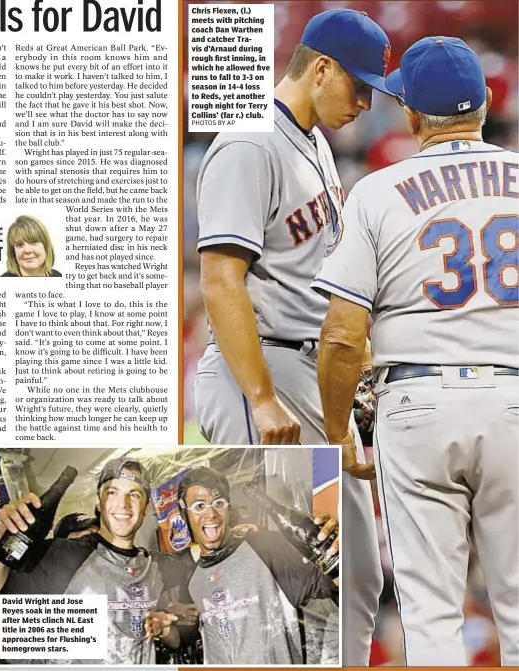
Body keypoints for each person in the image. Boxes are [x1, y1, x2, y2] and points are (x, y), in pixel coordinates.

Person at [193, 8, 393, 664]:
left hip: (313, 374)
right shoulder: (250, 143)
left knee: (359, 575)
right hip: (265, 373)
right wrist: (261, 397)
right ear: (320, 68)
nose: (364, 103)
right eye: (358, 86)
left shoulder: (310, 138)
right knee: (280, 587)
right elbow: (220, 280)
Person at [314, 36, 518, 666]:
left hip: (416, 406)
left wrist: (339, 428)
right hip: (514, 398)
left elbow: (345, 333)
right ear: (484, 102)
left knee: (429, 618)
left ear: (409, 114)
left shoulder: (377, 191)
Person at [0, 459, 198, 664]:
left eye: (134, 494)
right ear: (99, 501)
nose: (123, 504)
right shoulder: (63, 555)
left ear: (146, 506)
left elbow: (196, 554)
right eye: (112, 492)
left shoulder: (152, 565)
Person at [177, 467, 339, 665]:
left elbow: (333, 583)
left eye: (219, 503)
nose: (211, 514)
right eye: (199, 506)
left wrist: (338, 549)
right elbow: (185, 637)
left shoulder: (265, 548)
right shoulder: (189, 578)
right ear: (184, 512)